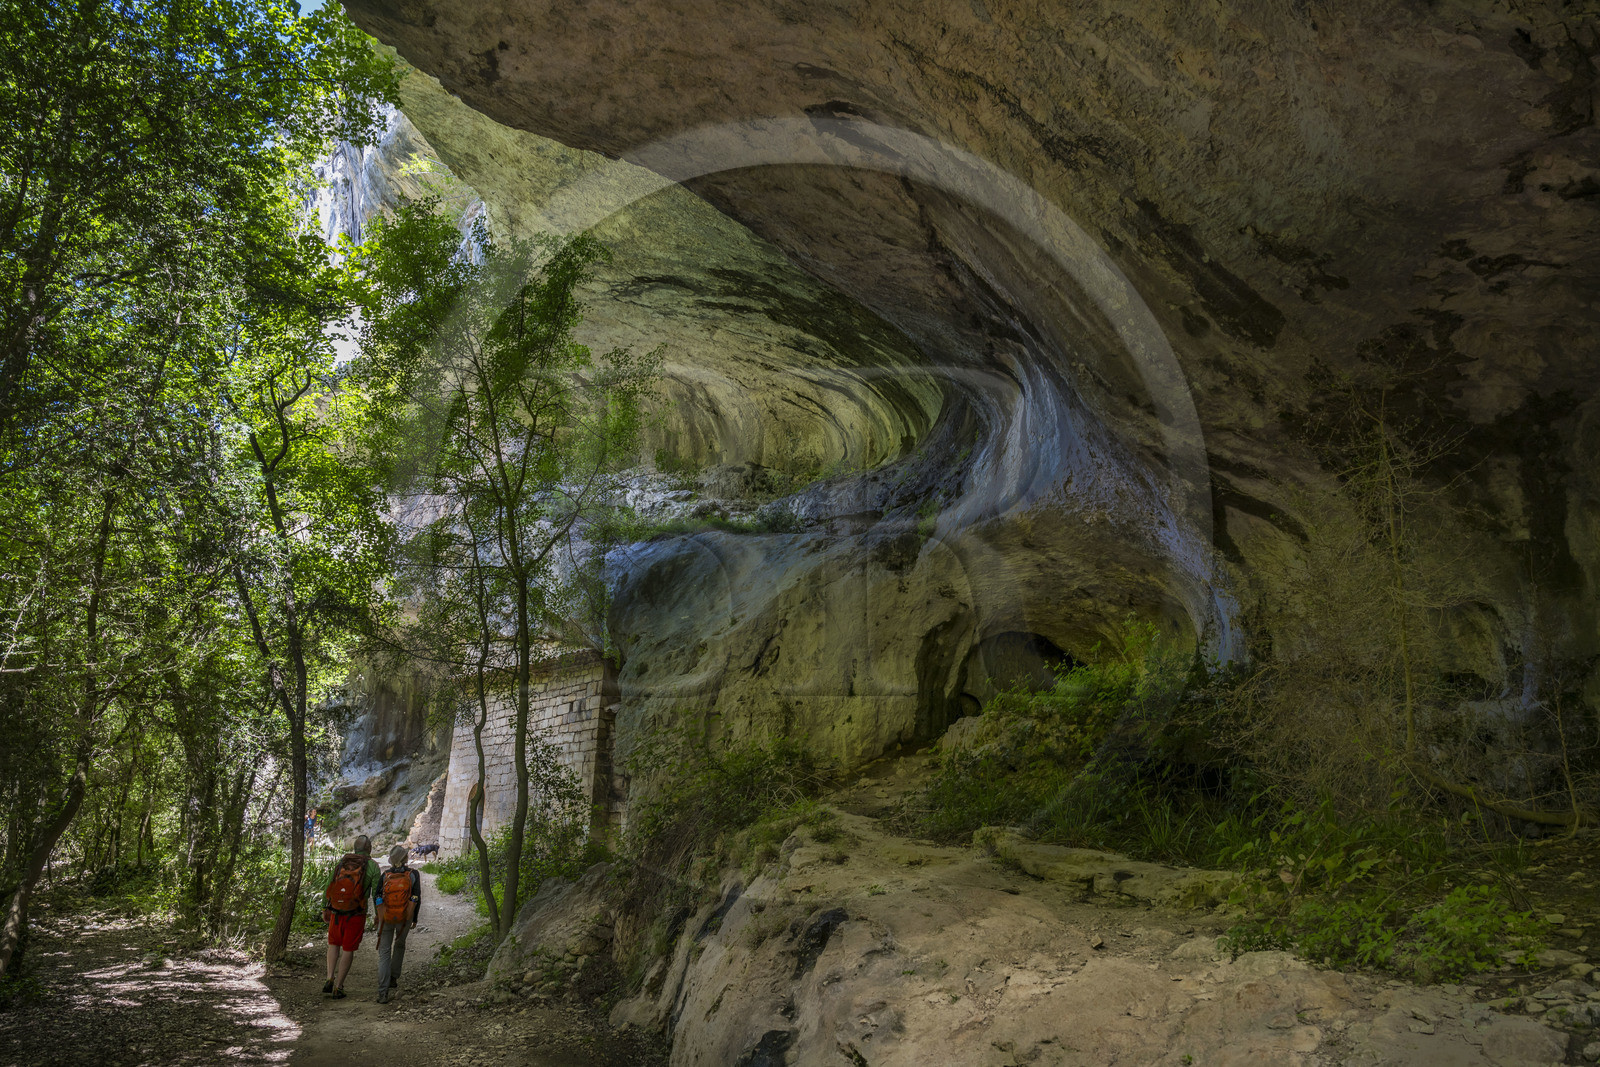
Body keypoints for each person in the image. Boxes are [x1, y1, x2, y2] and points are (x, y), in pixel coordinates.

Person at [320, 835, 380, 999]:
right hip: (356, 913)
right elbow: (376, 895)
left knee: (333, 944)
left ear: (355, 848)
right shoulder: (373, 867)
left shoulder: (342, 862)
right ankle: (338, 987)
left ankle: (329, 977)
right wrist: (378, 915)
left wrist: (325, 907)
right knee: (348, 949)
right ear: (369, 849)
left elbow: (329, 884)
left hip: (336, 912)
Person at [374, 844, 422, 1004]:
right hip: (404, 918)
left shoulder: (385, 875)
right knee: (399, 945)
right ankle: (394, 977)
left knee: (384, 953)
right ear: (405, 859)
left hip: (387, 917)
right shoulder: (413, 874)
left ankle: (382, 991)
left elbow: (377, 897)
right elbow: (416, 897)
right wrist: (414, 918)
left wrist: (379, 916)